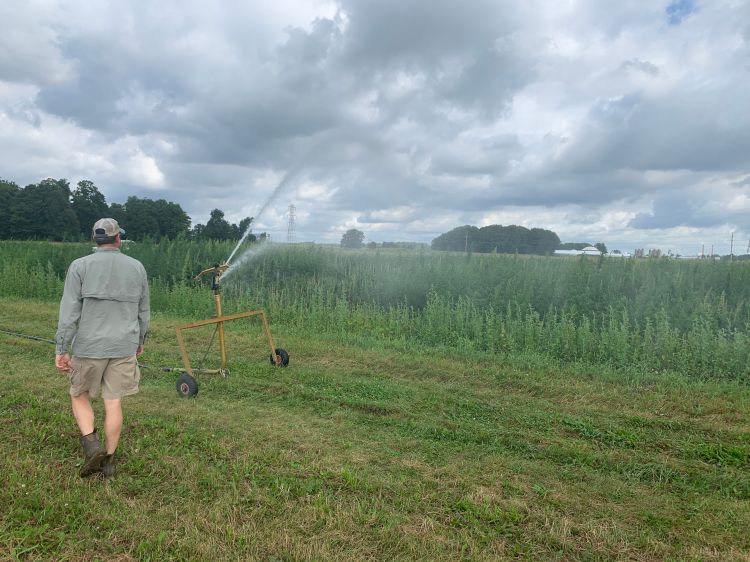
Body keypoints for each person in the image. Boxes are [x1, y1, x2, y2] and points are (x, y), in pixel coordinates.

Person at [54, 218, 149, 478]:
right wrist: (140, 340)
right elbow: (143, 310)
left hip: (89, 346)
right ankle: (108, 460)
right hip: (123, 345)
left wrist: (62, 347)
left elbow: (69, 311)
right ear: (118, 239)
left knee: (79, 393)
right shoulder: (137, 267)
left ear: (94, 240)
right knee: (113, 401)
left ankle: (91, 443)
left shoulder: (80, 266)